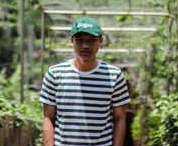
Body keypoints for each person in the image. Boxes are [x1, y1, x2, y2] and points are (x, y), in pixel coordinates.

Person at [40, 17, 130, 146]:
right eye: (79, 40)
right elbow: (48, 117)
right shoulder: (55, 74)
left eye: (91, 40)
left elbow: (120, 119)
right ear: (71, 41)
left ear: (100, 41)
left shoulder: (114, 76)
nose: (85, 46)